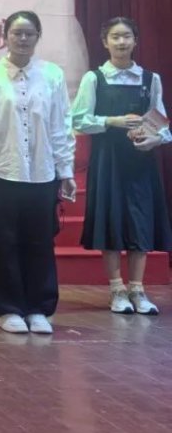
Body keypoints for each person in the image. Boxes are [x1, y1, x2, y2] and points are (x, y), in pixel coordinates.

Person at [0, 10, 76, 334]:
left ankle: (39, 309)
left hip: (41, 174)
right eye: (17, 33)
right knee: (3, 243)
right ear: (5, 37)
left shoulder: (52, 76)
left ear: (38, 37)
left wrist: (65, 170)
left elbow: (60, 126)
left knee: (40, 243)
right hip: (0, 172)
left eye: (29, 33)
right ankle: (9, 309)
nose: (23, 39)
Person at [72, 17, 171, 314]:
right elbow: (78, 120)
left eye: (127, 36)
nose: (121, 42)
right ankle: (116, 289)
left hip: (141, 161)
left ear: (135, 41)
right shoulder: (94, 78)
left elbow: (161, 122)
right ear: (105, 42)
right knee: (112, 219)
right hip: (108, 160)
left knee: (141, 221)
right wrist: (112, 121)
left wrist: (154, 139)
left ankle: (137, 290)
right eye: (115, 37)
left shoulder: (150, 79)